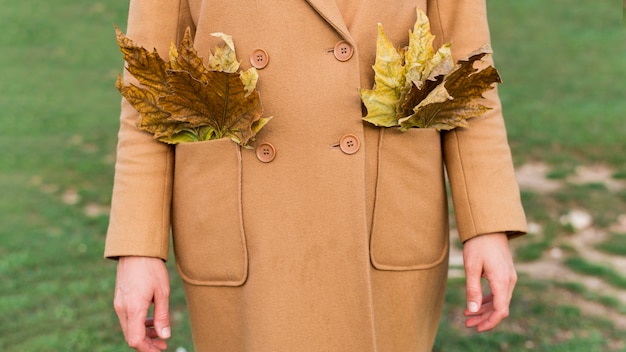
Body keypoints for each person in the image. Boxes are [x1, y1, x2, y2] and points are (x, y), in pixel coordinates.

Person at [105, 0, 527, 351]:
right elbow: (151, 92)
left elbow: (469, 78)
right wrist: (138, 247)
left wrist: (487, 224)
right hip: (249, 229)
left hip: (381, 217)